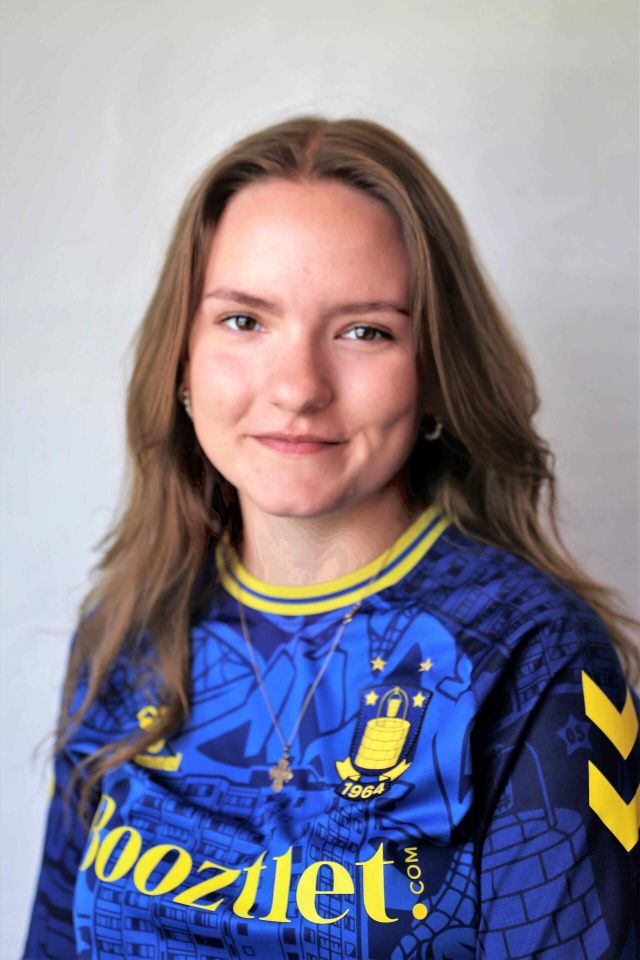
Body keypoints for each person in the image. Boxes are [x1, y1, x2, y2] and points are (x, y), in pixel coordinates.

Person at [23, 116, 639, 960]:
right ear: (182, 362)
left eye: (364, 330)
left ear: (435, 373)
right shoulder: (125, 630)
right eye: (245, 321)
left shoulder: (533, 658)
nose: (298, 388)